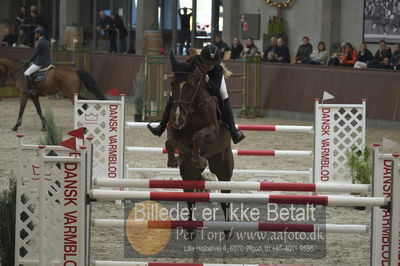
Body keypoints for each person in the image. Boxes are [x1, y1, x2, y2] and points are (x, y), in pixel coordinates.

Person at [147, 45, 245, 144]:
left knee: (224, 94)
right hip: (194, 83)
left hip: (212, 83)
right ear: (202, 60)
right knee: (173, 95)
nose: (209, 66)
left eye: (212, 64)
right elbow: (184, 74)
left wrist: (208, 80)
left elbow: (214, 91)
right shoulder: (194, 62)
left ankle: (233, 131)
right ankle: (161, 126)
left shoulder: (217, 69)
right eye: (207, 63)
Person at [24, 27, 51, 95]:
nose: (35, 35)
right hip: (47, 61)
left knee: (26, 73)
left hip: (40, 62)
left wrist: (29, 61)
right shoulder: (46, 41)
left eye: (36, 34)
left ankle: (33, 88)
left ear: (39, 34)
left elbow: (36, 53)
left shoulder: (40, 42)